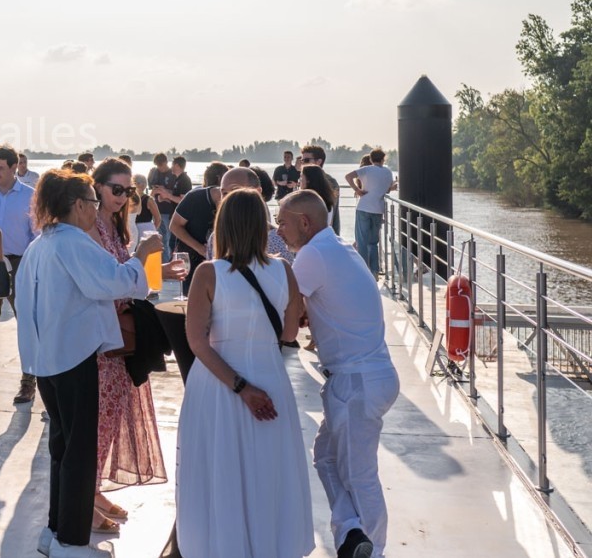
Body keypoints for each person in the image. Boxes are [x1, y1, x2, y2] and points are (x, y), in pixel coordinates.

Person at [15, 170, 160, 558]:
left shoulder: (41, 244)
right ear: (79, 205)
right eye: (93, 204)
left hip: (47, 359)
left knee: (63, 448)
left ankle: (55, 530)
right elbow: (112, 281)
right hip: (74, 356)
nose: (96, 213)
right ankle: (71, 541)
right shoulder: (73, 242)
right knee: (78, 452)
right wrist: (141, 257)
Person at [176, 188, 312, 558]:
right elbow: (288, 334)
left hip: (219, 384)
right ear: (261, 226)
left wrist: (240, 386)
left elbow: (197, 342)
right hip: (269, 377)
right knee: (267, 470)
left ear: (222, 226)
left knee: (218, 470)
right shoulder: (285, 270)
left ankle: (221, 547)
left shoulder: (208, 273)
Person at [276, 191, 399, 558]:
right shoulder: (339, 246)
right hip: (370, 375)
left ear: (304, 222)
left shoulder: (312, 254)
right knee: (326, 456)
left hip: (355, 381)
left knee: (359, 475)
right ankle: (351, 532)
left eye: (282, 222)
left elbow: (286, 313)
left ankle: (372, 550)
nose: (279, 230)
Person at [88, 159, 167, 532]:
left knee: (112, 418)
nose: (122, 197)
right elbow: (109, 281)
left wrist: (158, 269)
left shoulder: (114, 226)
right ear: (97, 186)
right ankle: (85, 498)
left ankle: (94, 489)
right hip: (103, 340)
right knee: (99, 419)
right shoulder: (89, 227)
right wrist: (144, 252)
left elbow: (131, 278)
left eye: (128, 191)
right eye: (115, 189)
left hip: (119, 338)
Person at [0, 145, 39, 406]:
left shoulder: (30, 197)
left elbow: (38, 235)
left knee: (26, 324)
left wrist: (31, 267)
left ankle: (29, 382)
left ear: (14, 167)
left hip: (20, 265)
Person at [168, 161, 227, 292]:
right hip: (194, 260)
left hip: (224, 263)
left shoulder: (237, 202)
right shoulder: (195, 197)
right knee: (192, 301)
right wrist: (200, 248)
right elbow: (174, 226)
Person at [346, 149, 396, 276]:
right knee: (373, 242)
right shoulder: (388, 172)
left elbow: (348, 176)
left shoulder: (367, 169)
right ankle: (374, 271)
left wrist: (357, 190)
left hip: (363, 207)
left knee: (361, 241)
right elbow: (387, 190)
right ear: (383, 159)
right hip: (378, 210)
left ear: (371, 159)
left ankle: (364, 271)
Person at [154, 157, 192, 252]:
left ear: (177, 166)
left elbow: (182, 200)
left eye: (172, 164)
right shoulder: (178, 179)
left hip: (180, 218)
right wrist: (164, 196)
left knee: (173, 244)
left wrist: (167, 195)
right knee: (169, 242)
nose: (171, 167)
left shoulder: (184, 180)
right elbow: (175, 196)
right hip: (173, 215)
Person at [301, 145, 341, 235]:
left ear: (319, 162)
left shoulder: (330, 182)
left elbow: (330, 212)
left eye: (306, 160)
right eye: (302, 160)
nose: (303, 164)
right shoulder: (303, 180)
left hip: (325, 236)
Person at [300, 165, 337, 231]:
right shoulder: (327, 199)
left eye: (301, 177)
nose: (299, 180)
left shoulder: (309, 201)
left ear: (308, 180)